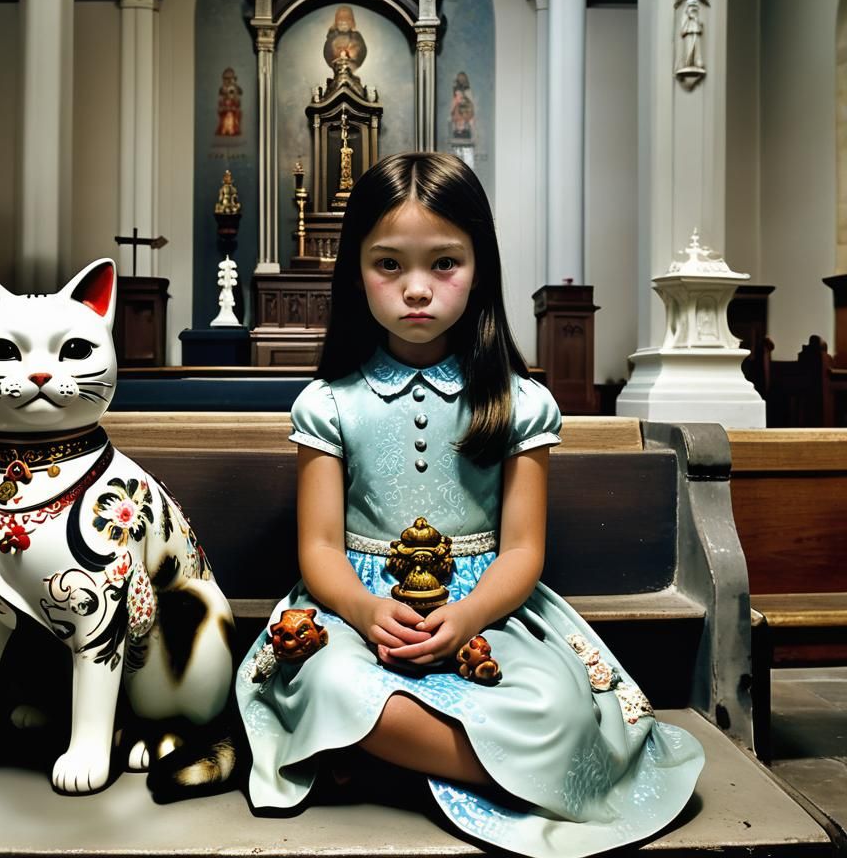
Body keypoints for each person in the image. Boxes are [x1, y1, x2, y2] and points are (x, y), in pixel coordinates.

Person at [236, 152, 704, 857]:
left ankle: (381, 758)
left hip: (489, 610)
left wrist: (467, 616)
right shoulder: (329, 404)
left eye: (444, 264)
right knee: (327, 679)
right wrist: (365, 612)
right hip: (355, 612)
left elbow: (521, 551)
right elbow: (320, 549)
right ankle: (499, 769)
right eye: (388, 265)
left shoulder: (519, 404)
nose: (416, 290)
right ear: (353, 269)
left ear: (480, 267)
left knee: (560, 709)